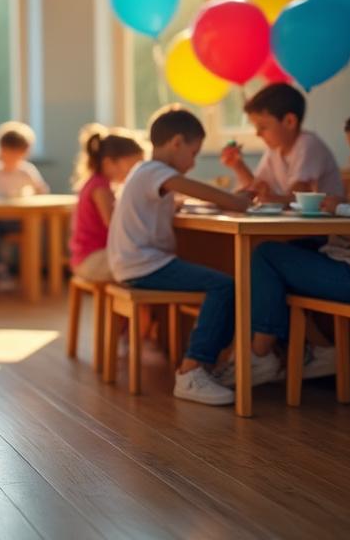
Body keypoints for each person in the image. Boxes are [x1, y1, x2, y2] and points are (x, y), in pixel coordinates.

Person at [108, 105, 251, 406]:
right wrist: (236, 201)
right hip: (144, 265)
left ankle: (207, 364)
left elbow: (175, 199)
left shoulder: (143, 172)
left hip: (134, 263)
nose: (194, 161)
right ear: (176, 143)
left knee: (222, 284)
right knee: (224, 286)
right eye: (194, 152)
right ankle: (192, 370)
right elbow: (199, 190)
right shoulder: (157, 172)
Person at [246, 99, 350, 382]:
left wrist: (340, 208)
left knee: (266, 255)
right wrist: (344, 206)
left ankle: (261, 354)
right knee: (285, 252)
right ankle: (316, 349)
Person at [221, 82, 344, 204]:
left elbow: (297, 198)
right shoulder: (275, 149)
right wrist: (238, 166)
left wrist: (266, 198)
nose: (257, 134)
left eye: (263, 127)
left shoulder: (308, 144)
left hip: (327, 221)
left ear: (289, 122)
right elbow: (257, 187)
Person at [0, 121, 50, 289]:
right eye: (7, 151)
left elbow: (42, 191)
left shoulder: (27, 171)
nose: (11, 157)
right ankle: (0, 267)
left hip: (17, 219)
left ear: (24, 153)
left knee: (33, 226)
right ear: (1, 150)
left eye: (16, 153)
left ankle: (32, 272)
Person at [69, 125, 145, 283]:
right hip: (93, 259)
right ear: (109, 163)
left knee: (148, 261)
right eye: (132, 166)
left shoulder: (98, 183)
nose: (135, 173)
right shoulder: (100, 187)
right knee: (149, 265)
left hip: (91, 257)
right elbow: (112, 223)